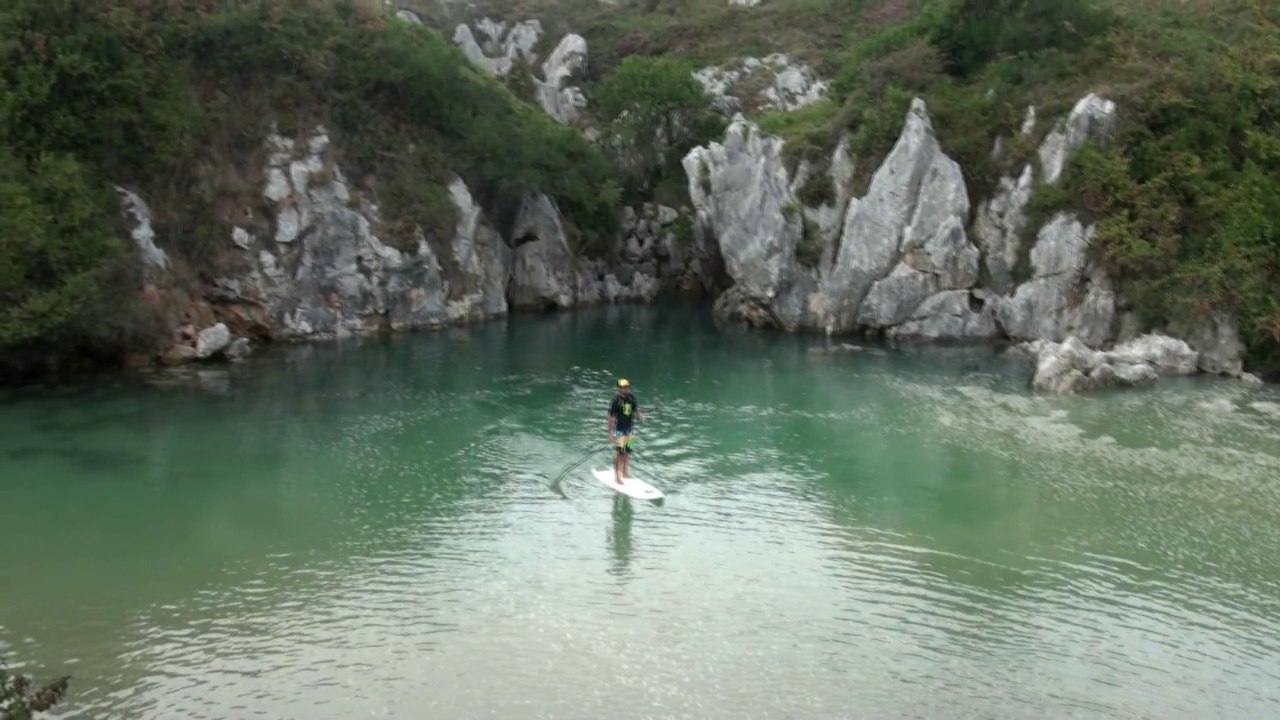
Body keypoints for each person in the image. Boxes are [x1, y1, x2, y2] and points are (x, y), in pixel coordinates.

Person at [606, 378, 644, 484]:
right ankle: (616, 477)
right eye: (622, 387)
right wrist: (610, 434)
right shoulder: (615, 401)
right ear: (619, 388)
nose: (625, 389)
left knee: (628, 452)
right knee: (619, 454)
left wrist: (640, 415)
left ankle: (625, 472)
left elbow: (636, 409)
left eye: (626, 387)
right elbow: (610, 418)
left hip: (630, 429)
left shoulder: (631, 397)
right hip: (619, 430)